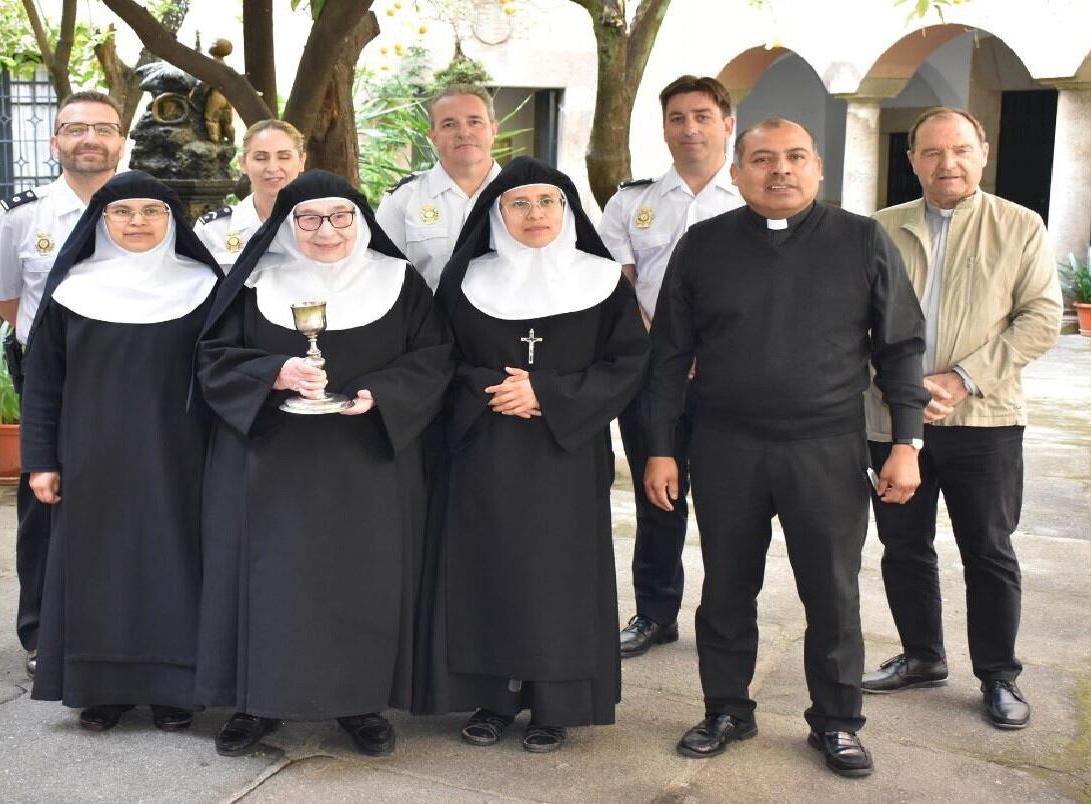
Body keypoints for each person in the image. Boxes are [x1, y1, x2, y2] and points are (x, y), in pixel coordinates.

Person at [644, 118, 928, 777]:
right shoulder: (704, 244)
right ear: (737, 172)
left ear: (818, 168)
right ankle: (725, 709)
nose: (781, 170)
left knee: (831, 593)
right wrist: (660, 447)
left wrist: (906, 442)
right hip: (725, 445)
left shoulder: (862, 240)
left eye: (796, 157)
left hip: (825, 446)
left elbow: (901, 348)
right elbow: (667, 356)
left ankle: (835, 721)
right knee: (725, 587)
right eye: (762, 159)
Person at [195, 170, 454, 758]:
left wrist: (381, 393)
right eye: (309, 218)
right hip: (268, 465)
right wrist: (274, 373)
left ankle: (360, 703)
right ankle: (254, 703)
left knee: (361, 581)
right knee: (268, 583)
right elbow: (212, 359)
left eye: (340, 216)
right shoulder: (255, 279)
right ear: (287, 224)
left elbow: (435, 359)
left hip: (365, 463)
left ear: (359, 220)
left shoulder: (399, 280)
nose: (326, 231)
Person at [415, 157, 649, 753]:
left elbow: (627, 363)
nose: (534, 214)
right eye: (519, 204)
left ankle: (556, 703)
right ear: (497, 214)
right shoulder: (466, 281)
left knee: (559, 576)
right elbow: (439, 358)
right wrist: (496, 389)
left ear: (566, 211)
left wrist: (546, 393)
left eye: (547, 202)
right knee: (487, 569)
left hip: (564, 456)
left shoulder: (599, 280)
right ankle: (493, 698)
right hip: (484, 450)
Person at [859, 107, 1062, 730]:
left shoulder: (1019, 226)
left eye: (960, 150)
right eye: (931, 151)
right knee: (903, 545)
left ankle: (999, 676)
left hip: (985, 419)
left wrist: (960, 379)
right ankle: (922, 656)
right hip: (891, 421)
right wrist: (892, 385)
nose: (947, 162)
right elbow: (845, 318)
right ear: (912, 158)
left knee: (989, 549)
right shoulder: (878, 229)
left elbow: (1041, 317)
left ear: (983, 151)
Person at [19, 172, 222, 732]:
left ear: (172, 220)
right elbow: (42, 383)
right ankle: (99, 689)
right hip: (91, 458)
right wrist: (41, 459)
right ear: (101, 221)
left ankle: (174, 689)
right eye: (122, 212)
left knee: (174, 565)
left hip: (179, 455)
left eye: (151, 211)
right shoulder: (72, 289)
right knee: (98, 570)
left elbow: (224, 372)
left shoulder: (204, 285)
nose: (137, 222)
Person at [596, 75, 743, 659]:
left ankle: (729, 614)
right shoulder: (634, 202)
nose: (691, 128)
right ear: (664, 128)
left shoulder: (750, 198)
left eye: (703, 116)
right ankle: (655, 612)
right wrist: (661, 346)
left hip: (728, 378)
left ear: (727, 124)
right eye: (678, 118)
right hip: (654, 376)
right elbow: (617, 285)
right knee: (658, 496)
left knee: (729, 501)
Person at [0, 90, 127, 678]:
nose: (89, 139)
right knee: (45, 500)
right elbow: (3, 295)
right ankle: (42, 630)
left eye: (102, 128)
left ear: (120, 140)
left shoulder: (146, 207)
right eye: (75, 129)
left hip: (130, 382)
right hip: (54, 382)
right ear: (55, 141)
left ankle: (122, 620)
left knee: (129, 502)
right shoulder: (26, 215)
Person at [377, 84, 502, 291]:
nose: (464, 132)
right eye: (449, 125)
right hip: (429, 321)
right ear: (433, 137)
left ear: (493, 129)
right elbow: (383, 277)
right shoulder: (403, 200)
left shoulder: (523, 196)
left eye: (474, 121)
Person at [195, 119, 307, 270]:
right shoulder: (213, 230)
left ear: (301, 161)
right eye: (261, 158)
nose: (272, 168)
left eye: (284, 157)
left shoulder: (328, 225)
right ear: (243, 163)